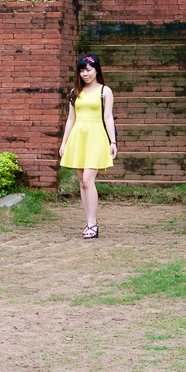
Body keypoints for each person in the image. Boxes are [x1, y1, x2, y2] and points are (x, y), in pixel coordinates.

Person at [59, 54, 118, 239]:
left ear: (96, 70)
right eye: (82, 70)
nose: (85, 74)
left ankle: (93, 223)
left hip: (96, 137)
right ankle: (89, 221)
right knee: (82, 182)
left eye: (88, 70)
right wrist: (64, 142)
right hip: (78, 137)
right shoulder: (75, 92)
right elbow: (71, 119)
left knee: (88, 180)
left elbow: (108, 117)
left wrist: (113, 141)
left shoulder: (105, 91)